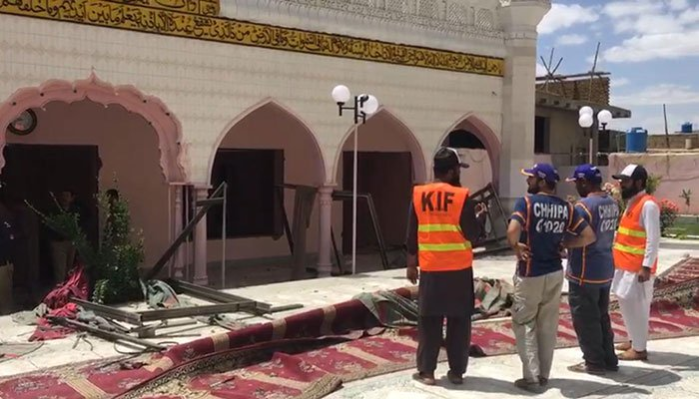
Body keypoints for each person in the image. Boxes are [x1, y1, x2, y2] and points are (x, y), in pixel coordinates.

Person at [507, 163, 596, 392]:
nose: (528, 182)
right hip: (555, 273)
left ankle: (531, 378)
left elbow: (512, 230)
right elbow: (588, 235)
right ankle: (544, 375)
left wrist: (516, 247)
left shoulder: (526, 203)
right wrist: (566, 243)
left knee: (524, 322)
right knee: (547, 325)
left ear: (541, 180)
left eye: (531, 178)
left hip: (530, 273)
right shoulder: (566, 207)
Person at [405, 147, 486, 386]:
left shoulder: (419, 194)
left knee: (429, 320)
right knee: (459, 321)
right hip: (458, 270)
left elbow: (412, 234)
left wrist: (411, 264)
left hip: (431, 269)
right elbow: (473, 235)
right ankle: (457, 372)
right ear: (451, 171)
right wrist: (480, 218)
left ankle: (427, 372)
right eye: (458, 169)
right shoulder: (462, 198)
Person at [565, 164, 620, 375]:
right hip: (605, 268)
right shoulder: (612, 203)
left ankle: (594, 362)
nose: (576, 187)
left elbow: (578, 235)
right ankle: (609, 358)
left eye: (577, 183)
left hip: (584, 271)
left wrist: (563, 243)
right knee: (601, 316)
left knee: (585, 319)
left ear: (585, 182)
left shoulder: (584, 206)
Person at [611, 164, 660, 361]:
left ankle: (639, 349)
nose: (621, 184)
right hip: (625, 265)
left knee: (638, 307)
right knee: (625, 303)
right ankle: (633, 340)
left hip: (639, 268)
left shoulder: (648, 205)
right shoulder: (632, 202)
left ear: (638, 182)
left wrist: (646, 266)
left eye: (625, 181)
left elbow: (653, 238)